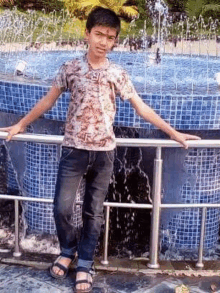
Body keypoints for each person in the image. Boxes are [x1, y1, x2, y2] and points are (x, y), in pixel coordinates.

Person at [0, 6, 200, 293]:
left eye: (110, 36)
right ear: (87, 34)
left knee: (94, 212)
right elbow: (47, 101)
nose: (103, 41)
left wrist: (173, 133)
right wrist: (20, 125)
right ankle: (67, 249)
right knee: (62, 208)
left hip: (104, 153)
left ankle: (84, 263)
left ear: (115, 40)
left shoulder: (117, 73)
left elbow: (140, 107)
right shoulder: (70, 68)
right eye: (99, 34)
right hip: (73, 151)